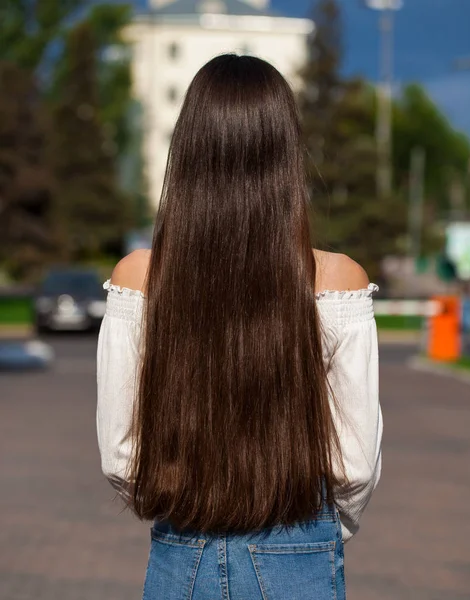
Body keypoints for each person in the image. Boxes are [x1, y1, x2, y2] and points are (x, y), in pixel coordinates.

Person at [97, 54, 382, 600]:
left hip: (183, 546)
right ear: (286, 152)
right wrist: (317, 532)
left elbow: (120, 452)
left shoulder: (138, 276)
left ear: (188, 150)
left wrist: (187, 504)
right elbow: (353, 464)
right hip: (299, 542)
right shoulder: (337, 278)